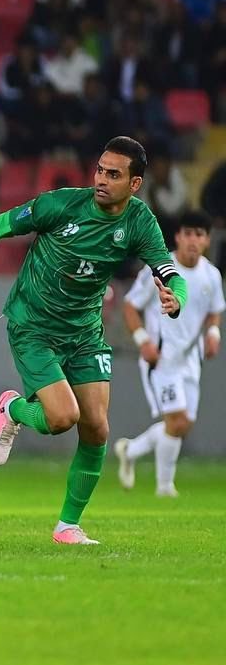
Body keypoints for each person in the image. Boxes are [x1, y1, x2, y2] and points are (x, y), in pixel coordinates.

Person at [0, 137, 188, 545]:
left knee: (97, 429)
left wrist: (177, 300)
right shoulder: (62, 205)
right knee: (61, 418)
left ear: (135, 184)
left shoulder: (139, 222)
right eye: (100, 170)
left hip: (84, 333)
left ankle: (68, 526)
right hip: (33, 326)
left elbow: (169, 270)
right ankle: (13, 408)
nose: (102, 179)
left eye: (114, 174)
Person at [114, 211, 223, 497]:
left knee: (182, 424)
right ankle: (165, 487)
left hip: (190, 360)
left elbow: (214, 312)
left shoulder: (211, 275)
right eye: (188, 233)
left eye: (199, 235)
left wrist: (214, 333)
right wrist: (142, 341)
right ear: (178, 236)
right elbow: (129, 306)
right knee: (176, 422)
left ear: (207, 240)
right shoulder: (160, 271)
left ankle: (131, 450)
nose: (193, 240)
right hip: (160, 359)